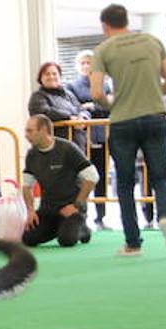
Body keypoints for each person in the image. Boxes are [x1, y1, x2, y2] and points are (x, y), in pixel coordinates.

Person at [91, 3, 166, 256]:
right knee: (161, 176)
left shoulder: (104, 49)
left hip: (123, 120)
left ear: (105, 25)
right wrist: (155, 92)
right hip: (154, 115)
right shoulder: (153, 42)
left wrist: (111, 103)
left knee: (125, 183)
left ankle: (132, 243)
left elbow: (97, 92)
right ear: (126, 20)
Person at [20, 114, 97, 248]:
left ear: (43, 130)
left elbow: (92, 177)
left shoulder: (67, 149)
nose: (26, 135)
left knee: (66, 241)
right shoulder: (31, 155)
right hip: (48, 210)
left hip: (71, 210)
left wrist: (76, 206)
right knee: (28, 239)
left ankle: (83, 229)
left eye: (30, 131)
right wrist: (31, 211)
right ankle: (62, 228)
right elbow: (27, 186)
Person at [66, 51, 110, 229]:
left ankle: (101, 217)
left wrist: (92, 106)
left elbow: (110, 105)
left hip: (103, 137)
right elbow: (75, 108)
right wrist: (93, 107)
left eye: (89, 63)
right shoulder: (72, 86)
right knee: (83, 178)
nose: (86, 66)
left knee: (101, 177)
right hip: (83, 139)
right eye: (83, 63)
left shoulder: (105, 85)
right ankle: (81, 215)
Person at [27, 61, 90, 153]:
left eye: (54, 73)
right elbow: (43, 112)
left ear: (59, 76)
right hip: (53, 147)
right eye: (47, 74)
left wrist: (83, 118)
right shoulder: (37, 96)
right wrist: (69, 118)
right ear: (40, 78)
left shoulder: (68, 94)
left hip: (77, 145)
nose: (51, 77)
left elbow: (81, 109)